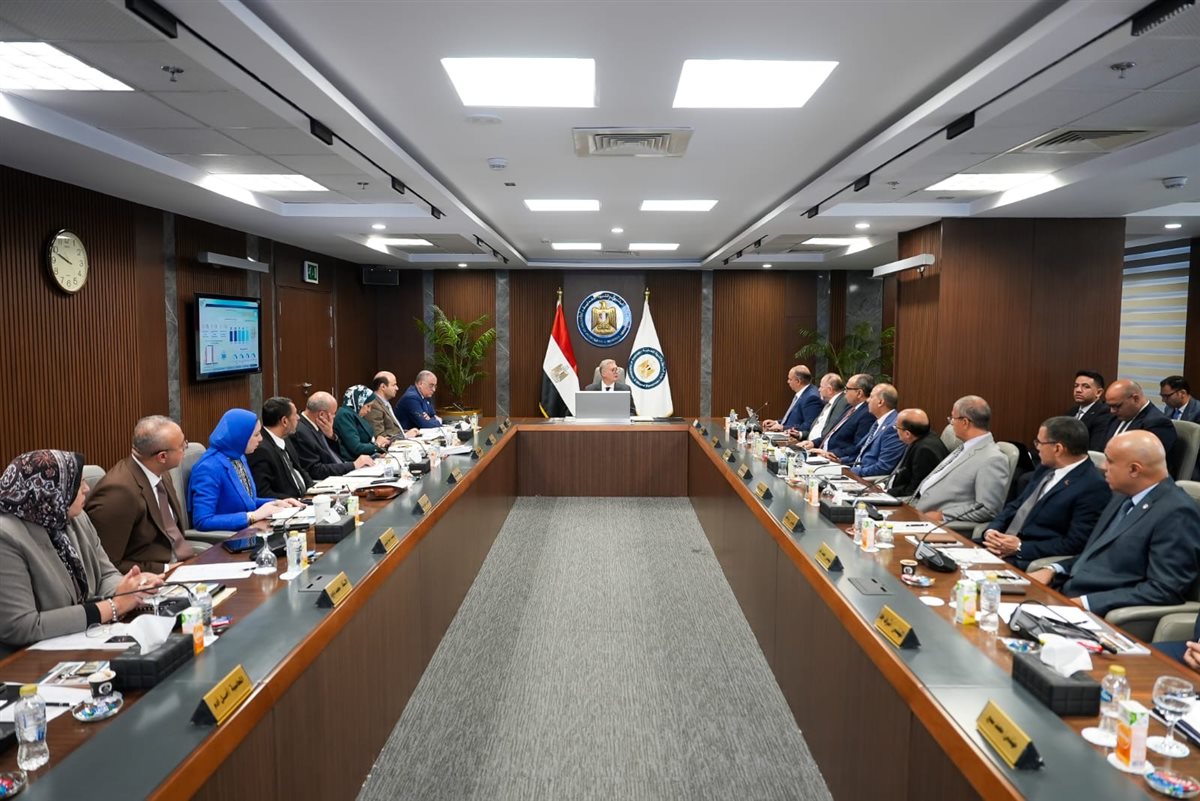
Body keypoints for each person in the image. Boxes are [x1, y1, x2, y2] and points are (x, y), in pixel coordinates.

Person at [0, 450, 163, 657]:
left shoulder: (73, 517)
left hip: (85, 638)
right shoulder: (6, 536)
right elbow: (21, 626)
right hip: (28, 658)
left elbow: (105, 574)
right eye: (78, 484)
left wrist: (130, 588)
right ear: (50, 491)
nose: (86, 489)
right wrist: (112, 607)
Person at [1029, 431, 1200, 617]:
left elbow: (1164, 589)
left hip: (1101, 613)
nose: (1103, 466)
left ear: (1134, 470)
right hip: (1064, 594)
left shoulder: (1177, 512)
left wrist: (1085, 603)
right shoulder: (1122, 495)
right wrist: (1054, 569)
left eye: (1110, 461)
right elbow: (1095, 553)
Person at [982, 416, 1110, 570]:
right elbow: (1017, 505)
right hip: (998, 546)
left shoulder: (1092, 486)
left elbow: (1075, 543)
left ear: (1058, 448)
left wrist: (1020, 547)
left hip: (1028, 559)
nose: (1037, 448)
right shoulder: (1046, 468)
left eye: (1039, 443)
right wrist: (993, 531)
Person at [86, 415, 202, 573]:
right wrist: (166, 569)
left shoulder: (161, 472)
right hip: (152, 578)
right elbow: (108, 565)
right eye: (182, 445)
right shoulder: (118, 493)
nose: (185, 447)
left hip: (184, 563)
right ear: (162, 457)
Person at [187, 409, 301, 532]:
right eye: (256, 435)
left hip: (249, 532)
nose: (261, 439)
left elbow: (247, 502)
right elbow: (203, 521)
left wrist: (276, 503)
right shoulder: (209, 467)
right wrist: (251, 516)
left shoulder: (238, 457)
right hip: (229, 538)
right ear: (240, 437)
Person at [907, 395, 1010, 524]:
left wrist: (942, 515)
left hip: (936, 524)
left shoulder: (992, 459)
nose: (951, 423)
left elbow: (988, 509)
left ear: (965, 422)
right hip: (915, 508)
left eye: (952, 418)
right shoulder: (965, 446)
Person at [292, 392, 375, 480]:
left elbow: (334, 455)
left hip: (340, 471)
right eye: (333, 413)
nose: (334, 417)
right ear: (321, 414)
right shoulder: (301, 432)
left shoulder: (318, 425)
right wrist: (353, 465)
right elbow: (316, 470)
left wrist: (331, 436)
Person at [248, 397, 312, 500]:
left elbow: (300, 469)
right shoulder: (260, 450)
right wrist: (298, 500)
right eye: (295, 414)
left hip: (306, 497)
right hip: (288, 504)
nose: (298, 418)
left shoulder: (285, 438)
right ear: (284, 421)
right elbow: (264, 493)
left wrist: (313, 489)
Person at [800, 373, 875, 460]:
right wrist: (813, 443)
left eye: (847, 389)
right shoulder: (850, 408)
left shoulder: (867, 414)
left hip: (836, 459)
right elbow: (832, 434)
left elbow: (857, 447)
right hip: (822, 453)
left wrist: (830, 454)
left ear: (859, 393)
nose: (844, 392)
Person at [884, 409, 949, 496]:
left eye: (896, 427)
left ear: (907, 434)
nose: (896, 431)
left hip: (906, 499)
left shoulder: (924, 451)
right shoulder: (923, 438)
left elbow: (915, 490)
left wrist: (887, 492)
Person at [1103, 379, 1176, 454]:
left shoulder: (1157, 423)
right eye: (1110, 406)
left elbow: (1148, 458)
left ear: (1135, 399)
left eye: (1117, 406)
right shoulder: (1115, 417)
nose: (1112, 411)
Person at [847, 384, 905, 478]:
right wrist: (839, 460)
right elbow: (861, 452)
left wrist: (851, 471)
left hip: (868, 479)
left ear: (880, 402)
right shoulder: (878, 422)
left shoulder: (893, 428)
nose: (867, 400)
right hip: (857, 471)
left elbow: (883, 467)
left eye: (871, 397)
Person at [764, 365, 822, 436]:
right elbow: (794, 419)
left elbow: (808, 426)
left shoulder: (811, 397)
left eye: (790, 379)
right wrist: (777, 422)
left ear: (798, 381)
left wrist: (783, 428)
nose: (788, 381)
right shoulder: (803, 393)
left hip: (795, 438)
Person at [335, 385, 389, 460]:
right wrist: (377, 445)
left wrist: (378, 448)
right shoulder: (344, 415)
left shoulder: (354, 414)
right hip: (353, 462)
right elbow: (356, 448)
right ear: (359, 402)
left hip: (365, 458)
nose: (369, 410)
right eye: (368, 406)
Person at [793, 373, 847, 444]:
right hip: (809, 443)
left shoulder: (841, 404)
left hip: (818, 447)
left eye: (821, 387)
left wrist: (813, 443)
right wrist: (800, 434)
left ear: (830, 390)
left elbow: (830, 433)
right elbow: (818, 428)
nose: (819, 389)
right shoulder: (828, 403)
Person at [1067, 370, 1111, 452]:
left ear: (1098, 392)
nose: (1078, 390)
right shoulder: (1072, 411)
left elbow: (1095, 448)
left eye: (1086, 386)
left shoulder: (1104, 413)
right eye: (1076, 386)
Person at [365, 371, 408, 439]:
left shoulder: (384, 402)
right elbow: (380, 436)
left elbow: (393, 430)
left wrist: (405, 432)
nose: (397, 388)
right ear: (383, 387)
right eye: (394, 385)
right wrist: (405, 435)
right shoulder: (373, 405)